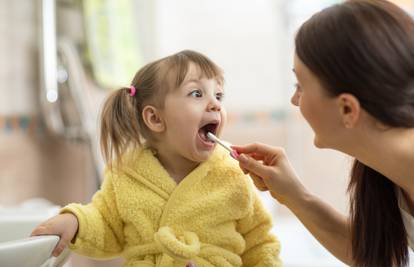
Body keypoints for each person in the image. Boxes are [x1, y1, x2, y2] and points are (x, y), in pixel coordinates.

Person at [31, 50, 282, 267]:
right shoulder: (127, 173)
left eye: (218, 95)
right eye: (197, 94)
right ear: (155, 119)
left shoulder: (232, 173)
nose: (215, 104)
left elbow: (259, 242)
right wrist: (75, 221)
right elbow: (105, 223)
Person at [232, 1, 414, 267]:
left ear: (347, 108)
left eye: (300, 85)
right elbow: (377, 257)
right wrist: (295, 196)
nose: (295, 100)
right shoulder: (388, 175)